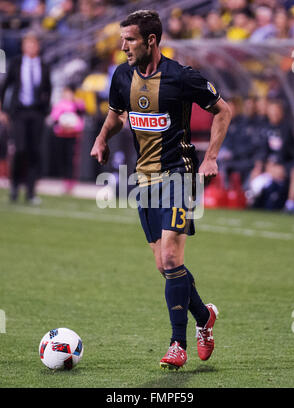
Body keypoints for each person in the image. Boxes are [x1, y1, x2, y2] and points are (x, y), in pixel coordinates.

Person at [90, 10, 231, 370]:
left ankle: (177, 344)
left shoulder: (182, 77)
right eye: (122, 39)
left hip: (178, 175)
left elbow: (223, 110)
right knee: (164, 265)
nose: (123, 47)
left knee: (171, 258)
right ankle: (204, 317)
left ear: (152, 40)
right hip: (144, 179)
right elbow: (117, 114)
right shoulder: (122, 76)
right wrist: (102, 138)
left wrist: (210, 157)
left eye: (130, 40)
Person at [0, 31, 51, 204]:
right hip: (19, 112)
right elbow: (5, 86)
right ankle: (14, 186)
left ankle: (30, 191)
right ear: (23, 46)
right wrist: (3, 110)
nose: (30, 47)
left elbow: (48, 89)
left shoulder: (43, 65)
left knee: (34, 151)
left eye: (33, 44)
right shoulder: (15, 63)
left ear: (38, 46)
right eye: (27, 44)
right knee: (20, 149)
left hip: (36, 112)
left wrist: (45, 111)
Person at [50, 85, 85, 194]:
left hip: (73, 135)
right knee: (63, 158)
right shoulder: (59, 105)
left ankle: (71, 182)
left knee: (71, 159)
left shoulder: (77, 104)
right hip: (61, 134)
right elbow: (55, 118)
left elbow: (82, 113)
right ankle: (65, 181)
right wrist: (63, 125)